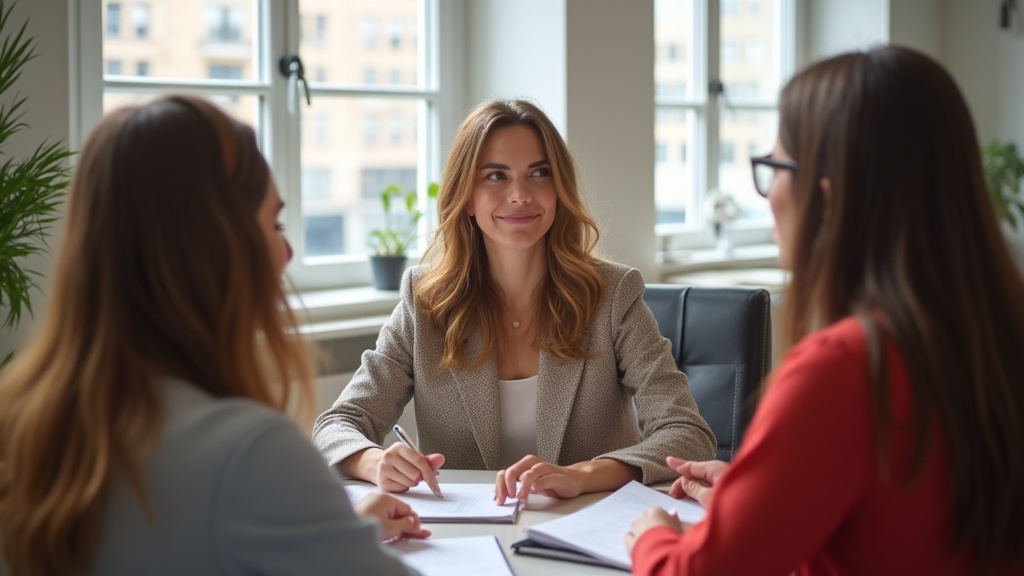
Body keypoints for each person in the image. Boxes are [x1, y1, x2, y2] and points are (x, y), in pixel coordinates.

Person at [626, 46, 1024, 575]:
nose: (768, 196)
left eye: (774, 168)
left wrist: (653, 538)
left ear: (829, 196)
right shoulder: (995, 335)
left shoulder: (845, 367)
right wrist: (760, 497)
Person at [0, 96, 427, 576]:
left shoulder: (22, 420)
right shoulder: (248, 452)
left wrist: (334, 527)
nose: (287, 252)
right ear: (213, 248)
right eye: (274, 223)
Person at [313, 99, 715, 504]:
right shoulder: (426, 304)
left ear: (559, 189)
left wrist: (582, 475)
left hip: (585, 529)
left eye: (539, 173)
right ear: (467, 198)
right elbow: (338, 424)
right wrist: (373, 461)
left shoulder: (612, 295)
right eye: (496, 176)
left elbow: (687, 433)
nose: (520, 194)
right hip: (467, 544)